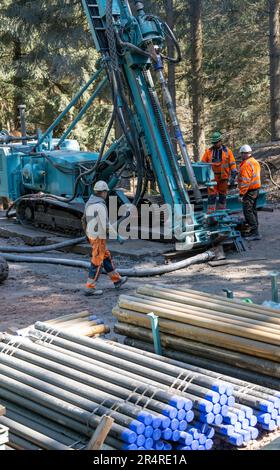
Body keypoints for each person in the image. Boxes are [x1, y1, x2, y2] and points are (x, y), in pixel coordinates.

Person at [83, 180, 127, 296]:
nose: (106, 194)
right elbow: (106, 225)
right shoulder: (100, 205)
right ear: (102, 192)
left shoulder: (89, 202)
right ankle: (90, 287)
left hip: (92, 235)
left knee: (106, 257)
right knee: (97, 261)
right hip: (98, 237)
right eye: (106, 192)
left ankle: (117, 280)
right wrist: (118, 236)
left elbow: (83, 219)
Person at [201, 132, 237, 213]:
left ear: (220, 141)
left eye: (216, 142)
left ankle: (222, 213)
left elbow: (232, 163)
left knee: (222, 195)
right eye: (213, 143)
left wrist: (233, 173)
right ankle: (211, 215)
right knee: (212, 196)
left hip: (223, 177)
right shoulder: (208, 152)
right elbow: (202, 163)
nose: (215, 144)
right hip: (212, 178)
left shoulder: (228, 151)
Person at [238, 145, 261, 241]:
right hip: (256, 190)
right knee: (252, 210)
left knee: (247, 211)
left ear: (245, 153)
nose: (242, 155)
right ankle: (254, 230)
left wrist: (241, 194)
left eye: (242, 154)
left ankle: (255, 233)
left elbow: (246, 181)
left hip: (249, 191)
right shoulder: (254, 162)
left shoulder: (247, 164)